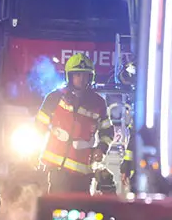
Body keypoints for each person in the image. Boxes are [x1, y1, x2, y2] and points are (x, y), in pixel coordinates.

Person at [34, 53, 114, 194]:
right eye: (77, 75)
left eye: (85, 75)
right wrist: (35, 153)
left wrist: (101, 148)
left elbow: (107, 131)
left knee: (80, 206)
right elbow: (39, 126)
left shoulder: (98, 103)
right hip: (57, 169)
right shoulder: (54, 98)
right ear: (69, 76)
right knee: (56, 206)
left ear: (90, 77)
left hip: (83, 172)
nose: (81, 79)